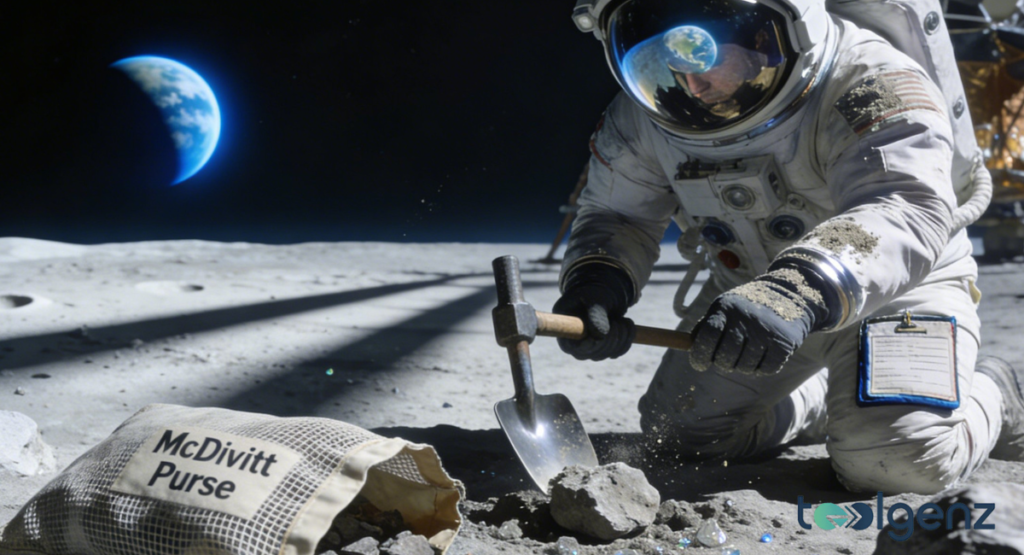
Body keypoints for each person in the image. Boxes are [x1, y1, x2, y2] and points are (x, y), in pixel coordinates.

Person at [555, 0, 1024, 494]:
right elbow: (619, 214)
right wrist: (599, 282)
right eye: (669, 61)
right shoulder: (643, 120)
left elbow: (902, 205)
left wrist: (797, 288)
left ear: (769, 34)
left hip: (897, 291)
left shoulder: (868, 80)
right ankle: (821, 395)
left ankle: (995, 393)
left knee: (895, 460)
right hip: (752, 301)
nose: (691, 85)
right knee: (681, 437)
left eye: (703, 53)